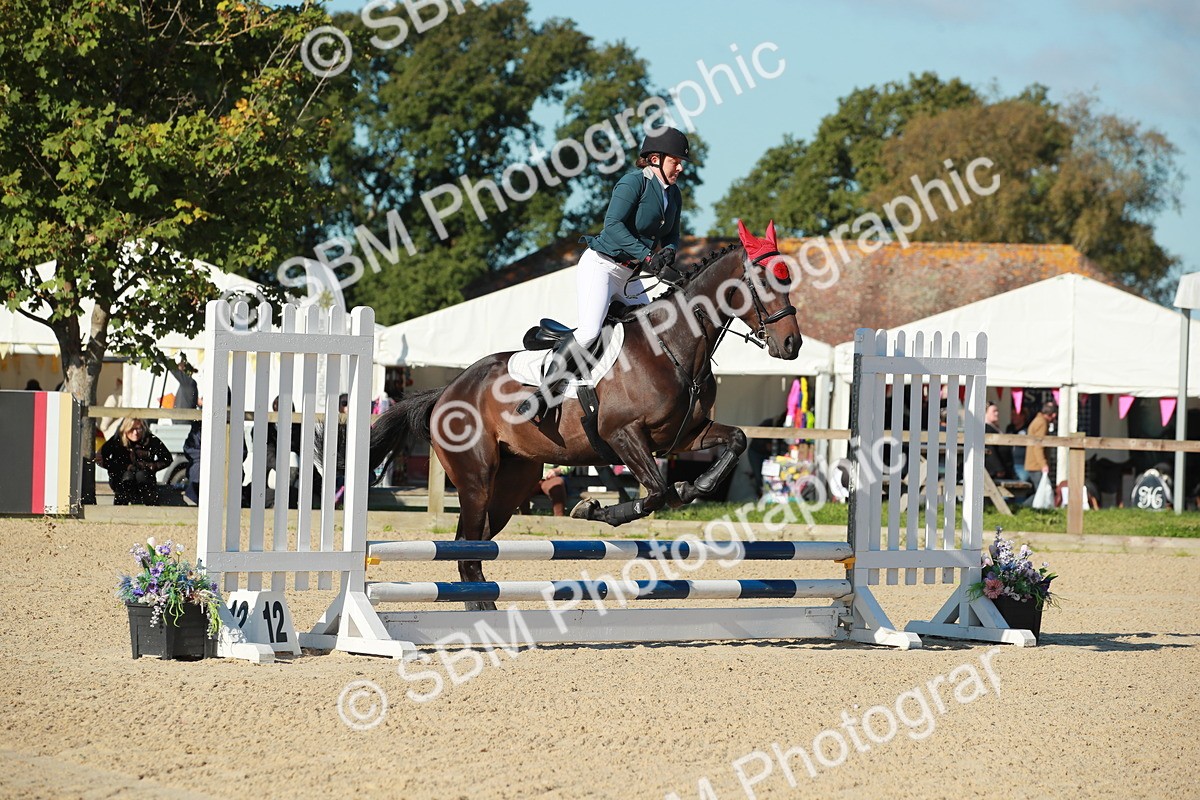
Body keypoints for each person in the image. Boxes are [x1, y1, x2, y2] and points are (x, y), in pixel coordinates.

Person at [516, 126, 692, 421]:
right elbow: (613, 226)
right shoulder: (632, 183)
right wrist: (648, 256)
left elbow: (672, 234)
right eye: (676, 161)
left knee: (650, 334)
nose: (681, 168)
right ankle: (543, 395)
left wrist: (669, 252)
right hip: (602, 266)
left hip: (630, 277)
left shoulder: (673, 194)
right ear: (655, 159)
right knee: (589, 332)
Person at [97, 418, 171, 505]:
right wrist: (122, 467)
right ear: (125, 429)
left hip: (145, 479)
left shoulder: (150, 439)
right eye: (132, 429)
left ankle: (151, 507)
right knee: (127, 477)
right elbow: (99, 458)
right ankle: (119, 509)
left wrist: (149, 466)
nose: (135, 433)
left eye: (138, 429)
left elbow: (167, 459)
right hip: (121, 479)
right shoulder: (117, 440)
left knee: (141, 475)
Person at [1024, 401, 1058, 494]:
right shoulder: (1042, 423)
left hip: (1033, 463)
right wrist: (1043, 464)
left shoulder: (1038, 420)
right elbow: (1038, 446)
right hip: (1036, 465)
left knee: (1040, 493)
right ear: (1053, 415)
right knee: (1042, 493)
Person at [983, 402, 1012, 480]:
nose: (997, 413)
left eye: (997, 411)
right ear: (985, 413)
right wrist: (998, 468)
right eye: (994, 411)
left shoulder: (994, 427)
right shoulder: (986, 429)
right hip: (994, 471)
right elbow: (990, 450)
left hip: (1004, 466)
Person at [168, 356, 198, 423]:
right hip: (181, 420)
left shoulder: (188, 382)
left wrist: (163, 357)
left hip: (182, 421)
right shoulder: (187, 383)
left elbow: (173, 369)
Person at [1004, 408, 1029, 483]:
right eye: (1012, 415)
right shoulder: (1010, 428)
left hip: (1022, 463)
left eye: (1015, 415)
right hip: (1009, 463)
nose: (1013, 417)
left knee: (1022, 484)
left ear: (1023, 416)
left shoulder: (1027, 429)